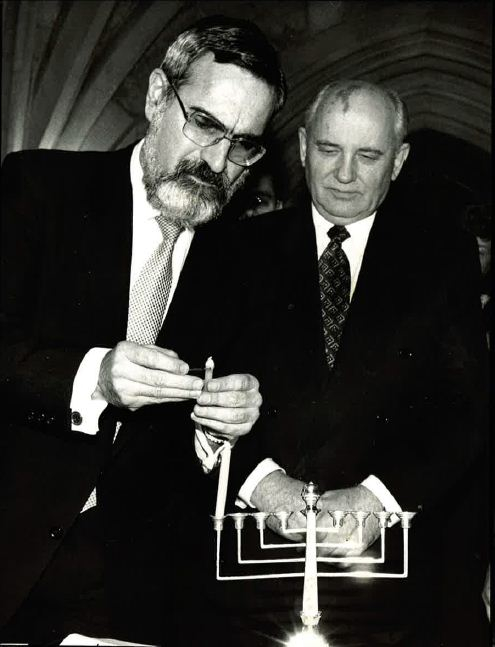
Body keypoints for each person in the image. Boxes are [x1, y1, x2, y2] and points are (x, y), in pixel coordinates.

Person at [0, 15, 286, 645]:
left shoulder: (241, 262)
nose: (217, 162)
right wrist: (94, 377)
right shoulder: (38, 190)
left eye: (243, 145)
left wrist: (224, 424)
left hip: (129, 592)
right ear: (158, 96)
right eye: (204, 124)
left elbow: (201, 449)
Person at [222, 80, 489, 646]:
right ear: (301, 147)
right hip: (250, 578)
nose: (345, 174)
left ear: (399, 161)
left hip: (391, 585)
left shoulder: (443, 257)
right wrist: (261, 484)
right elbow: (202, 391)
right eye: (328, 149)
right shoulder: (236, 251)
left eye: (368, 155)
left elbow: (465, 410)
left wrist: (378, 498)